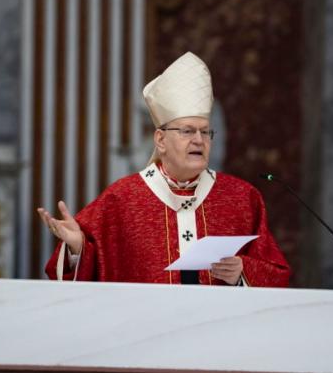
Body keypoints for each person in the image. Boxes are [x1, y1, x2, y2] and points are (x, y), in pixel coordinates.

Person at [39, 52, 290, 286]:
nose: (199, 140)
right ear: (160, 140)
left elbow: (278, 274)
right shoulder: (122, 199)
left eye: (205, 131)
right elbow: (88, 271)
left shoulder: (241, 198)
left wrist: (242, 270)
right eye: (187, 131)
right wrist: (77, 249)